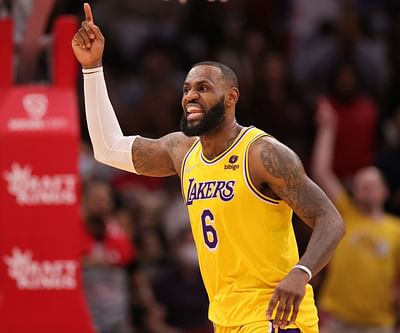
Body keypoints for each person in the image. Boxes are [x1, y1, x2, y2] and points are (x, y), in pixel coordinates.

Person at [71, 3, 345, 333]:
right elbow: (107, 148)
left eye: (203, 88)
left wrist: (301, 273)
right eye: (187, 89)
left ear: (231, 97)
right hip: (225, 318)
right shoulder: (181, 150)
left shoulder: (262, 153)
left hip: (274, 314)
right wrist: (92, 68)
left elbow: (330, 218)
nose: (191, 97)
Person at [311, 98, 400, 333]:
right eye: (360, 185)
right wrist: (328, 128)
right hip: (335, 319)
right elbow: (321, 171)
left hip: (379, 324)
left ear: (385, 191)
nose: (365, 189)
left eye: (371, 184)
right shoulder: (344, 214)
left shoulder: (398, 229)